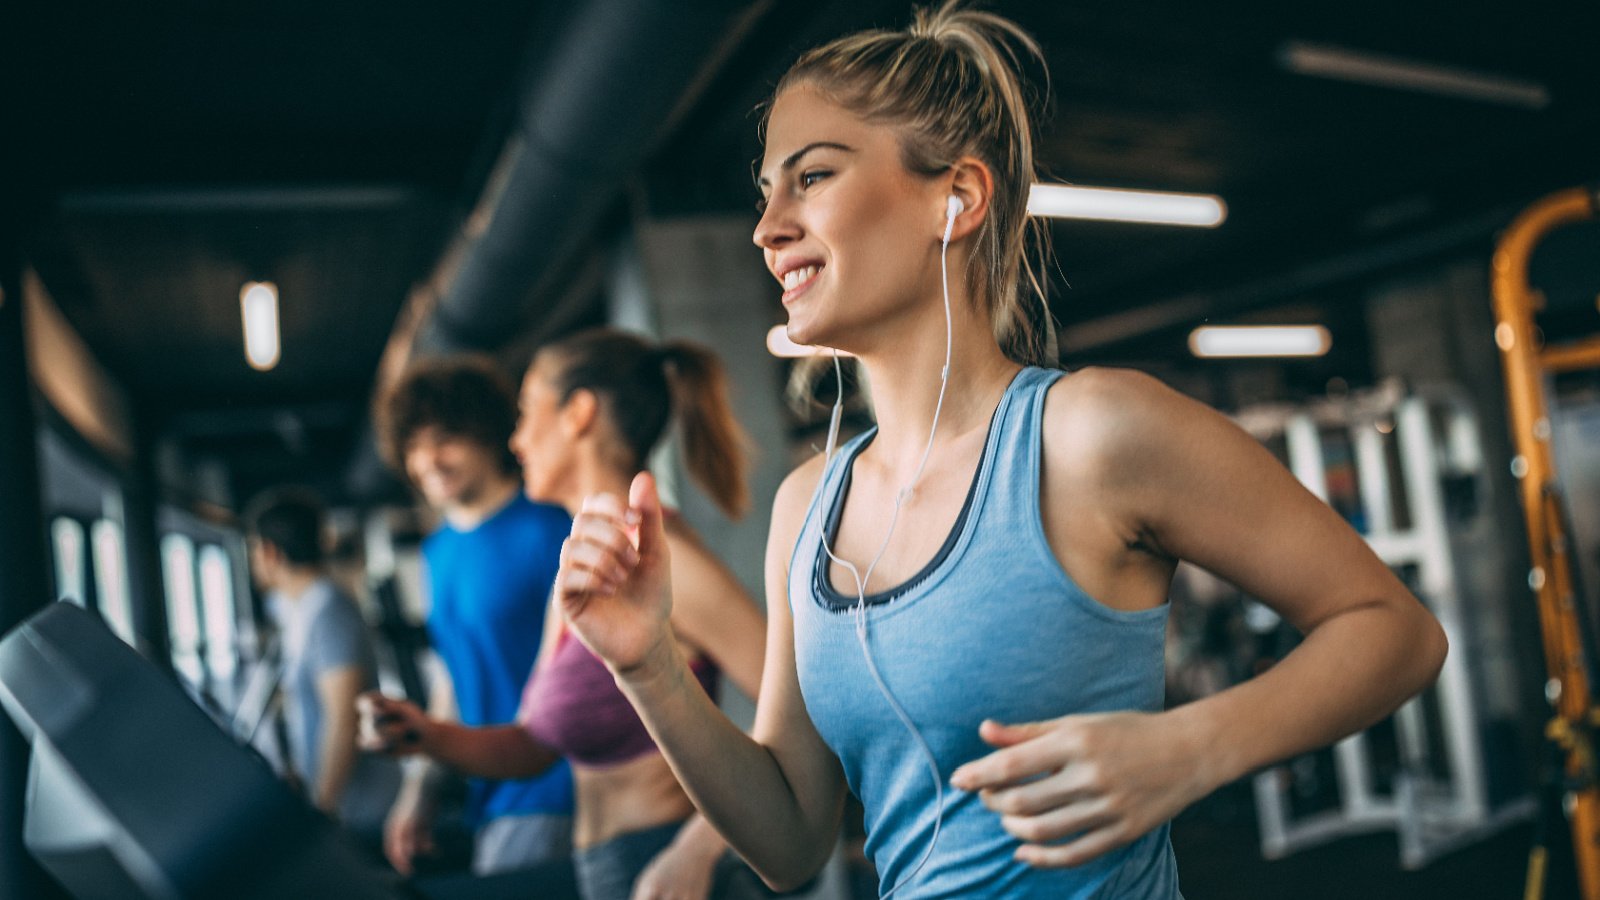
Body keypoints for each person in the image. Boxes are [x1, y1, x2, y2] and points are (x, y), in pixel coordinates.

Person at [551, 3, 1451, 898]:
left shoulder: (1090, 435)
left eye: (811, 178)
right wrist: (650, 666)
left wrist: (1191, 747)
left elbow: (1395, 630)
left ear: (958, 197)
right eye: (765, 194)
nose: (767, 227)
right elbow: (789, 842)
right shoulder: (807, 508)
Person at [362, 329, 769, 900]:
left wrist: (698, 849)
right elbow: (533, 746)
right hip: (604, 868)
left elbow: (803, 712)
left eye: (528, 412)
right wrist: (424, 734)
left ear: (578, 414)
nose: (517, 438)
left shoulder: (662, 558)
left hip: (669, 866)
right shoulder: (575, 568)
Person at [375, 357, 575, 876]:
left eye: (444, 439)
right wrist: (419, 790)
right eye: (413, 447)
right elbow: (453, 677)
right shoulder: (436, 552)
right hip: (482, 792)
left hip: (555, 790)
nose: (428, 461)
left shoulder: (552, 528)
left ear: (489, 436)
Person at [245, 488, 400, 841]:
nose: (254, 560)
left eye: (253, 549)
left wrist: (324, 810)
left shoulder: (328, 610)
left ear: (270, 552)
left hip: (361, 813)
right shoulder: (301, 610)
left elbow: (343, 717)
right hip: (340, 807)